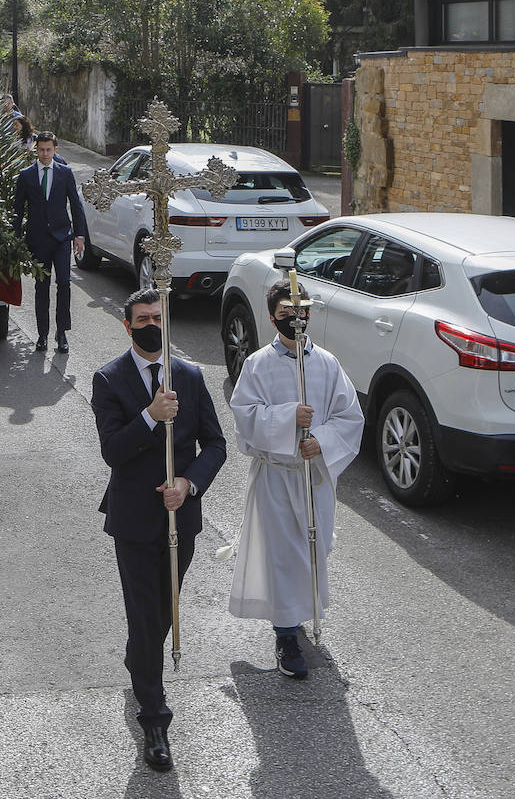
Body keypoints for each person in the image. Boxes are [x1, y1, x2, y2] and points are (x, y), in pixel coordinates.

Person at [91, 288, 227, 772]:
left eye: (157, 318)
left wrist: (189, 484)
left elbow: (215, 443)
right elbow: (113, 451)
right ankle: (155, 718)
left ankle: (138, 662)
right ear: (127, 326)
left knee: (164, 609)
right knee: (146, 614)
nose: (150, 325)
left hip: (179, 517)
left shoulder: (188, 375)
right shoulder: (109, 379)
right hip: (132, 519)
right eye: (141, 319)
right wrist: (152, 416)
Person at [227, 278, 364, 679]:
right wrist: (290, 420)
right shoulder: (257, 365)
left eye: (302, 310)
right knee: (285, 556)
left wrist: (319, 440)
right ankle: (286, 636)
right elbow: (245, 416)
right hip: (277, 477)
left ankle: (300, 614)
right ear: (273, 318)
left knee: (313, 551)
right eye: (287, 313)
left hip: (314, 477)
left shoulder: (326, 363)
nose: (296, 318)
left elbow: (349, 416)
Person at [12, 132, 87, 353]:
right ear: (36, 150)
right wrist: (17, 238)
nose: (45, 154)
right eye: (41, 149)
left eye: (49, 149)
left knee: (64, 283)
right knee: (41, 287)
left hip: (62, 238)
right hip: (38, 240)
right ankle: (42, 334)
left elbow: (76, 204)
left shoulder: (65, 173)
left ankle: (61, 332)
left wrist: (79, 235)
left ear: (55, 150)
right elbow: (17, 210)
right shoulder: (26, 175)